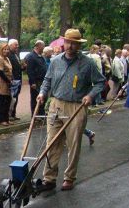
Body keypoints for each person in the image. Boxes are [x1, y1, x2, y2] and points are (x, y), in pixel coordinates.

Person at [36, 28, 105, 191]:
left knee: (73, 144)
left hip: (76, 105)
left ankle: (69, 177)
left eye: (74, 43)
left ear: (79, 45)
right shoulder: (55, 61)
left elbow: (100, 82)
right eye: (67, 42)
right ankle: (49, 178)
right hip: (56, 104)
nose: (70, 46)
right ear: (64, 43)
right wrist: (42, 92)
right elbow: (47, 80)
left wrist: (90, 95)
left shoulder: (87, 63)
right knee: (52, 142)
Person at [25, 40, 47, 116]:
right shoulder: (31, 56)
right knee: (35, 98)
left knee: (42, 97)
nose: (44, 48)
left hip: (42, 81)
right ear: (38, 46)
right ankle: (35, 115)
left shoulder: (40, 56)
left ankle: (40, 114)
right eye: (43, 46)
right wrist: (32, 82)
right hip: (36, 81)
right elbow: (30, 70)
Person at [0, 43, 13, 126]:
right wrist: (8, 81)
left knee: (8, 101)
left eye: (7, 49)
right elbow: (0, 72)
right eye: (4, 49)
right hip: (2, 82)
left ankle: (6, 119)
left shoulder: (7, 59)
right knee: (3, 101)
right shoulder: (0, 59)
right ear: (1, 50)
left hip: (8, 81)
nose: (6, 51)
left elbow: (9, 70)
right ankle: (1, 120)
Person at [8, 39, 23, 121]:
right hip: (13, 80)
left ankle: (13, 114)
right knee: (12, 98)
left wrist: (22, 67)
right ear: (10, 45)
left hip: (18, 80)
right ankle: (9, 115)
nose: (17, 46)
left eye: (17, 45)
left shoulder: (15, 55)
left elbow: (18, 67)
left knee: (15, 98)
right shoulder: (8, 55)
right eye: (15, 45)